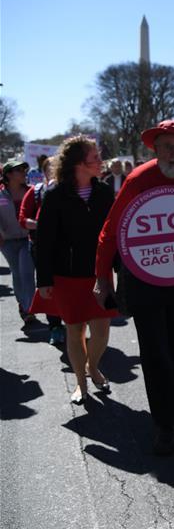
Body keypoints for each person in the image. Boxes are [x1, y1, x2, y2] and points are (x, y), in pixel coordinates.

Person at [94, 119, 174, 456]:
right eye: (167, 146)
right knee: (154, 349)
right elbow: (110, 229)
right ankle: (165, 422)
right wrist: (102, 276)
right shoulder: (139, 179)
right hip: (143, 280)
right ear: (156, 149)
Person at [31, 136, 117, 405]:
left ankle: (93, 367)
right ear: (80, 163)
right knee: (75, 331)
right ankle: (81, 383)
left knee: (102, 333)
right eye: (95, 157)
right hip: (66, 276)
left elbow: (115, 233)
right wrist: (44, 279)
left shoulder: (104, 192)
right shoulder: (56, 195)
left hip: (99, 274)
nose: (101, 161)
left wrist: (121, 269)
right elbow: (44, 240)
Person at [19, 156, 65, 344]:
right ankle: (55, 326)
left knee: (67, 284)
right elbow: (23, 218)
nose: (54, 171)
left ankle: (73, 321)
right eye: (50, 168)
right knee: (47, 286)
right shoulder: (36, 192)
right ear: (44, 172)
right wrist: (40, 225)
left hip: (66, 247)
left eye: (57, 167)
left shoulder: (74, 190)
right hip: (40, 246)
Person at [0, 159, 37, 326]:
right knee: (17, 274)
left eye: (24, 170)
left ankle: (29, 308)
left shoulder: (32, 192)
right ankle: (23, 304)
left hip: (28, 239)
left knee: (27, 272)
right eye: (19, 170)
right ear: (8, 175)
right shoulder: (0, 195)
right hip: (7, 242)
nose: (23, 173)